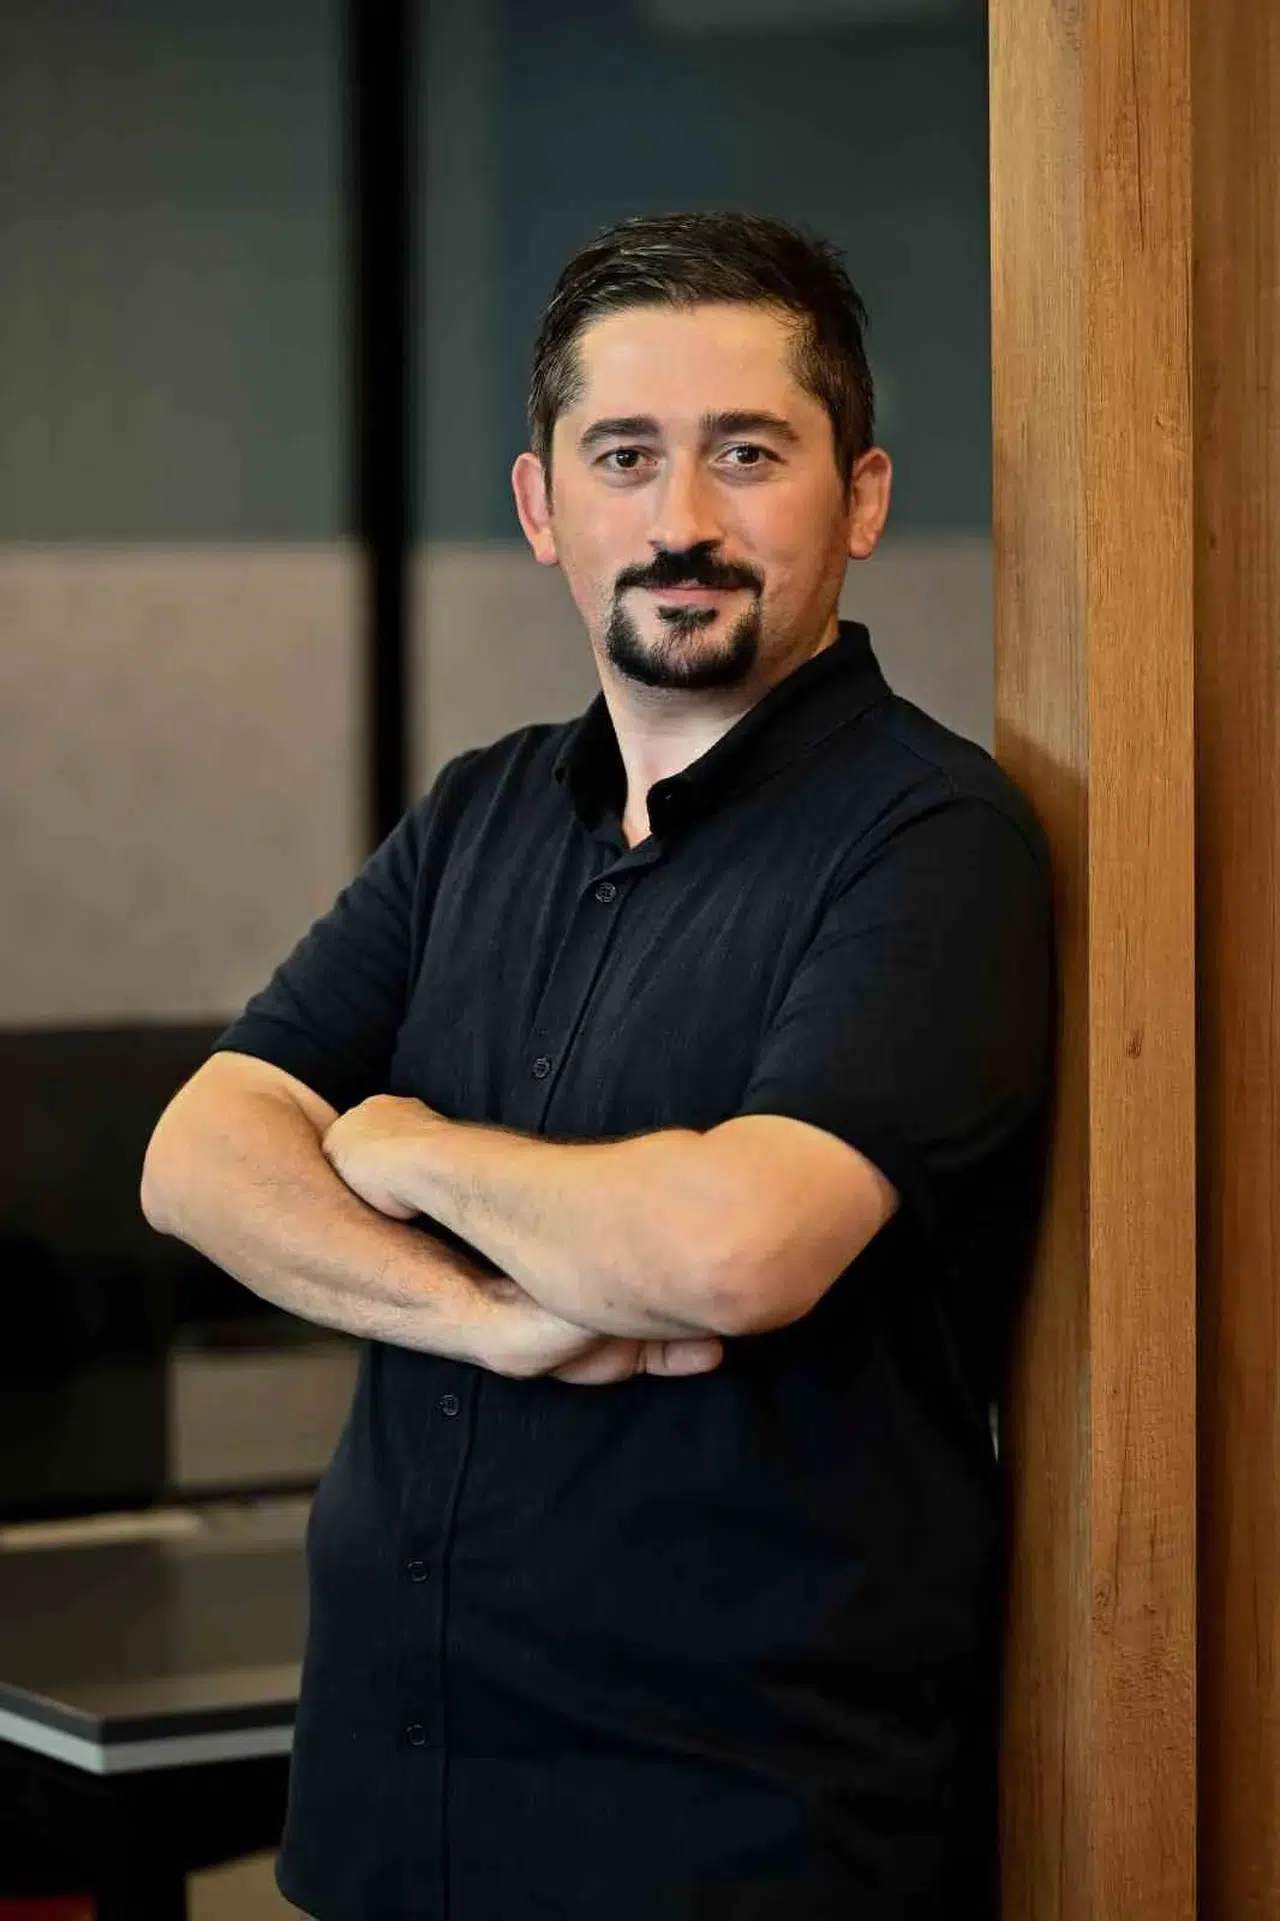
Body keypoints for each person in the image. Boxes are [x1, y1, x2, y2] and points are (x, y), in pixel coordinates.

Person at [141, 210, 1054, 1920]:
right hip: (394, 1817)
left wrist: (406, 1146)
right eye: (624, 456)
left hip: (727, 1848)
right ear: (542, 505)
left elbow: (738, 1248)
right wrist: (482, 1315)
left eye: (748, 454)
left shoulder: (932, 842)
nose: (680, 520)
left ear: (859, 498)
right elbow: (197, 1155)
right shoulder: (481, 811)